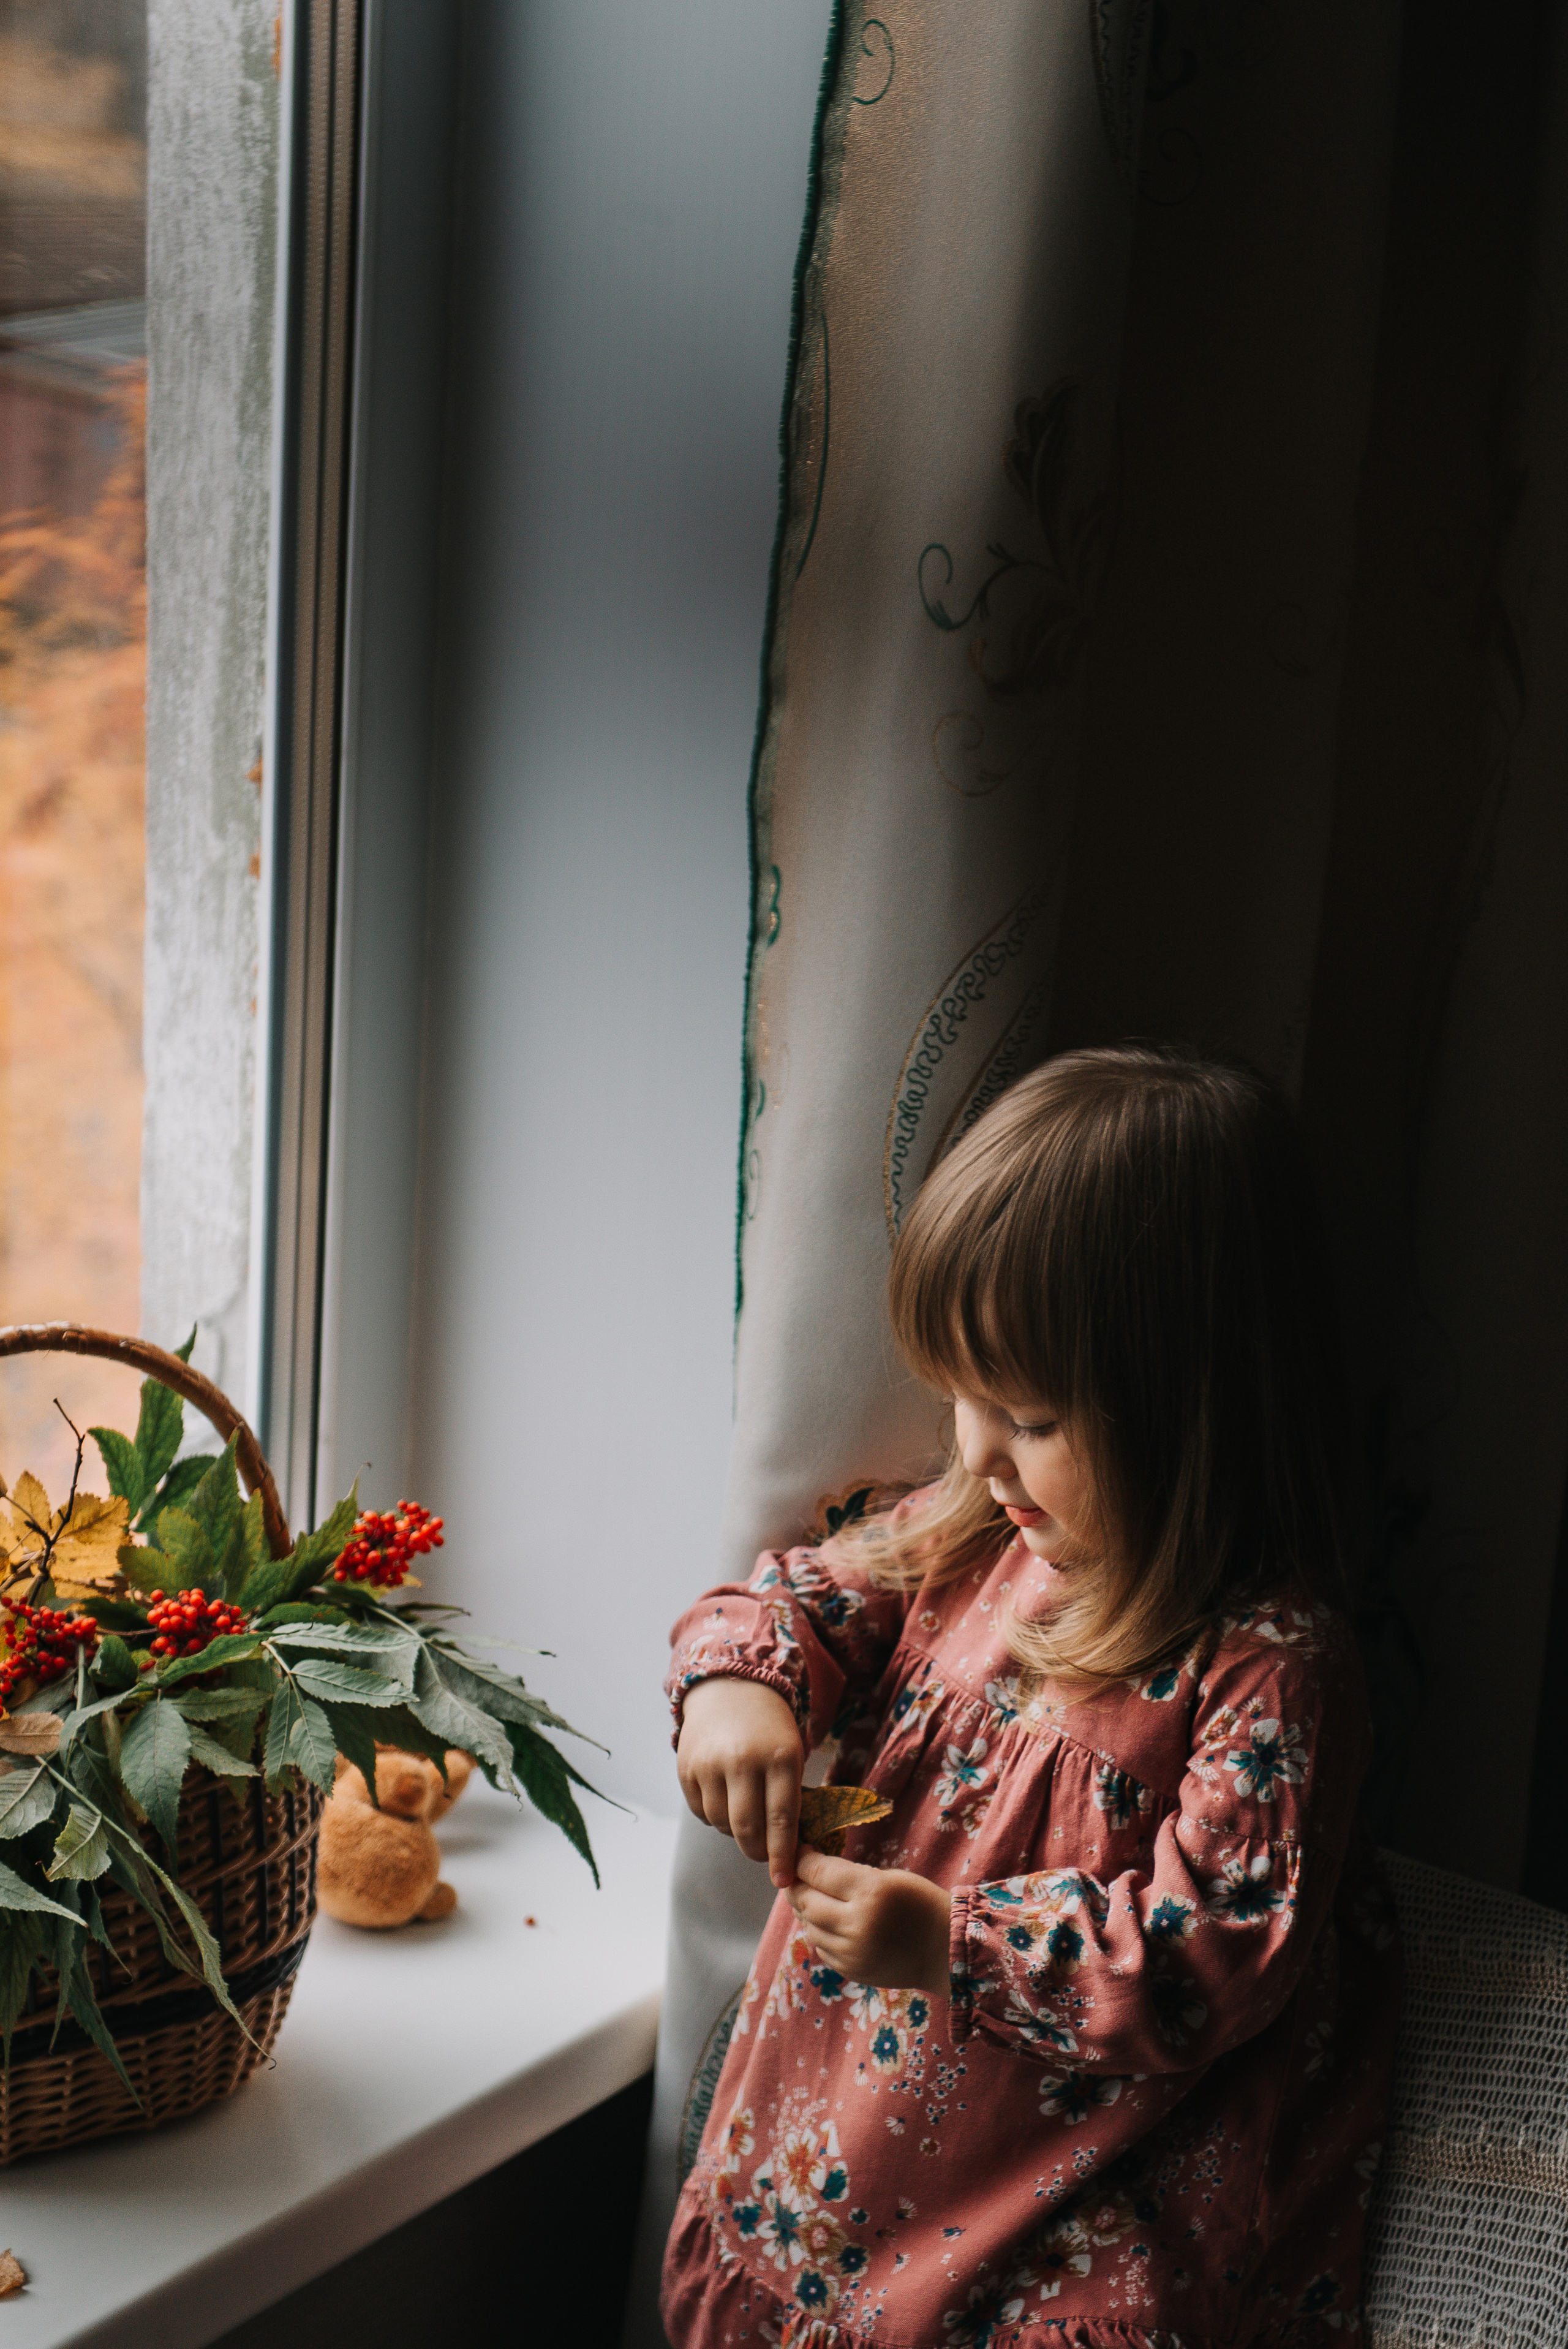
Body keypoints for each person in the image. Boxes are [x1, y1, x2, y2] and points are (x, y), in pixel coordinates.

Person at [662, 1047, 1400, 2349]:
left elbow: (1201, 1960)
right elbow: (795, 1600)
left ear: (1194, 1414)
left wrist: (945, 1942)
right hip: (833, 2169)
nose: (976, 1448)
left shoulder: (1271, 1668)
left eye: (1029, 1412)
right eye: (961, 1397)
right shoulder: (969, 1540)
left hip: (1061, 2223)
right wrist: (740, 1688)